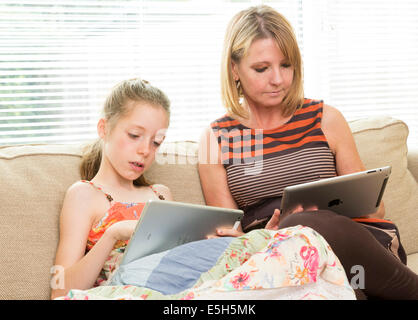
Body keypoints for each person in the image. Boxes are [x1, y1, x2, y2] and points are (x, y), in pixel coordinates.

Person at [198, 5, 418, 299]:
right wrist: (269, 236)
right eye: (262, 68)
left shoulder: (326, 117)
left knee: (301, 225)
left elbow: (376, 209)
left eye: (286, 65)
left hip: (355, 243)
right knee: (304, 253)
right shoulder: (216, 138)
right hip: (276, 256)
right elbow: (228, 236)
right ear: (234, 69)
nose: (278, 79)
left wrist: (307, 222)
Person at [51, 78, 173, 299]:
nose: (145, 150)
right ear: (104, 128)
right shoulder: (84, 195)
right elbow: (59, 290)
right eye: (134, 136)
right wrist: (112, 234)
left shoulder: (161, 194)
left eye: (156, 142)